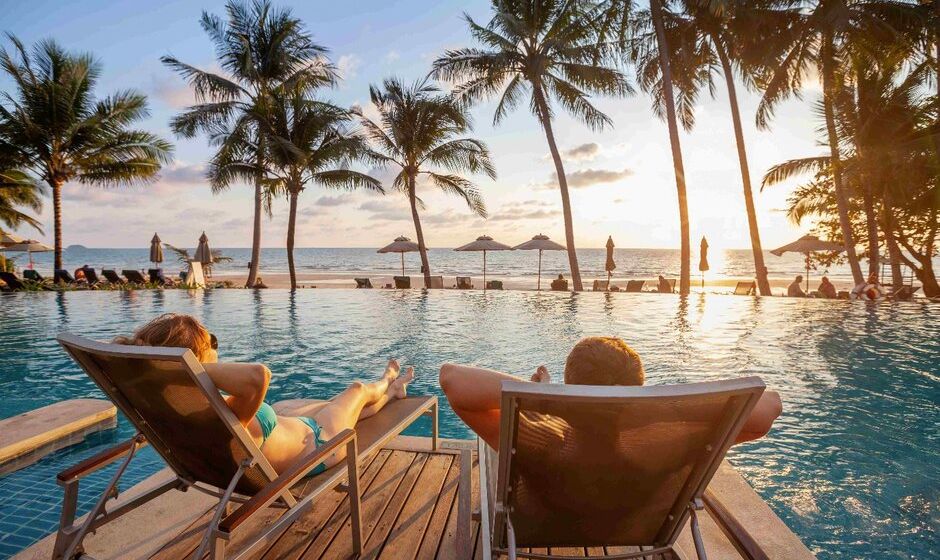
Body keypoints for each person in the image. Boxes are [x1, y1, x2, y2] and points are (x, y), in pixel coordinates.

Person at [115, 313, 414, 474]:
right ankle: (388, 378)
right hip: (320, 444)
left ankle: (393, 391)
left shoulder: (172, 407)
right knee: (357, 391)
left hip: (295, 429)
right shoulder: (226, 412)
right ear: (196, 359)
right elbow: (259, 375)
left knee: (345, 408)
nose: (216, 349)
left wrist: (165, 372)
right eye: (211, 343)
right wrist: (185, 369)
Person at [439, 336, 782, 450]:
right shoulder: (668, 443)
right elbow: (768, 408)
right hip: (639, 530)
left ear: (568, 388)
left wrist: (550, 398)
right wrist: (641, 407)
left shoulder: (540, 442)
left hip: (541, 524)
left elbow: (452, 379)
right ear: (640, 387)